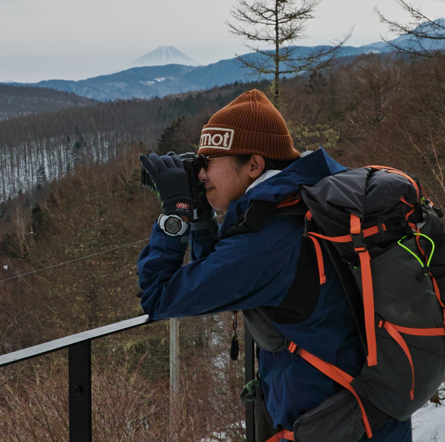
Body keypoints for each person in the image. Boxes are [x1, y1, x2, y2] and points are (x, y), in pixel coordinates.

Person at [137, 89, 412, 442]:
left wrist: (174, 214)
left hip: (339, 426)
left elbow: (159, 297)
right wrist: (201, 211)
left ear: (253, 165)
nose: (202, 174)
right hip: (370, 415)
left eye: (209, 162)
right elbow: (222, 274)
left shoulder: (266, 242)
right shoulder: (301, 201)